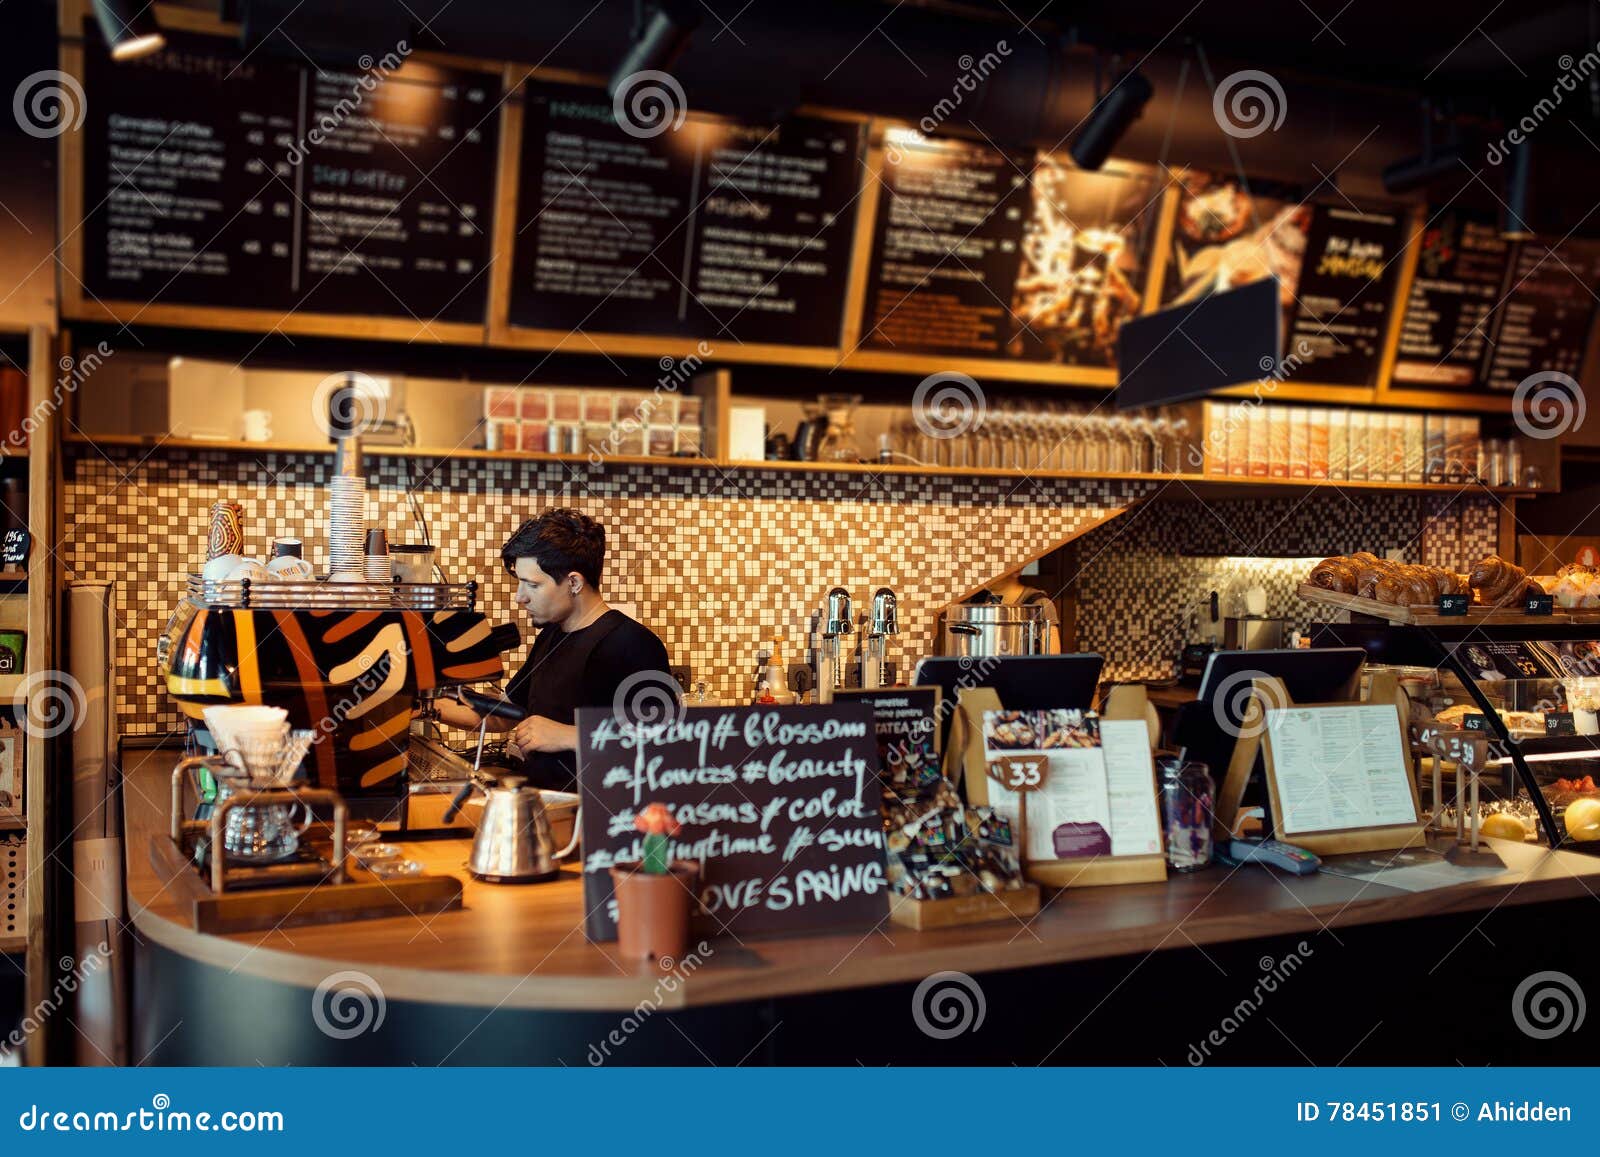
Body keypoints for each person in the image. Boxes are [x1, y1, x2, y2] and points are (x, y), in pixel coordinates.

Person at [434, 508, 671, 791]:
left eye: (532, 584)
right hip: (547, 807)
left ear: (573, 582)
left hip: (597, 820)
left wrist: (569, 736)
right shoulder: (552, 635)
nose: (520, 597)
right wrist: (423, 707)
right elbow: (503, 714)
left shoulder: (631, 644)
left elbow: (663, 742)